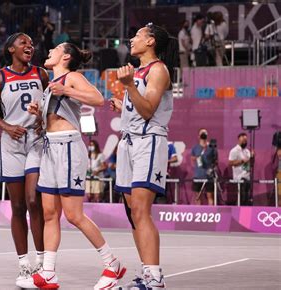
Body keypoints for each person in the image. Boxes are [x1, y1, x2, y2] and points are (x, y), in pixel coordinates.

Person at [26, 42, 125, 289]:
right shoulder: (51, 85)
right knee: (50, 214)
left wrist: (66, 91)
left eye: (56, 48)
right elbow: (54, 117)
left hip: (68, 148)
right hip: (49, 147)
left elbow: (98, 98)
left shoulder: (72, 77)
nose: (49, 51)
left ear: (66, 56)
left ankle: (112, 263)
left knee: (74, 215)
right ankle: (48, 272)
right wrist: (39, 113)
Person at [110, 23, 178, 289]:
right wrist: (123, 104)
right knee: (132, 213)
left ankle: (154, 277)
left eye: (137, 35)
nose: (131, 38)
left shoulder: (158, 69)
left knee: (140, 210)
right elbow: (139, 106)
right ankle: (147, 273)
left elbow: (148, 110)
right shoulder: (139, 71)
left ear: (151, 41)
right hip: (129, 142)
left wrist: (128, 86)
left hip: (148, 143)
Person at [0, 32, 48, 288]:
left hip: (35, 142)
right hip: (11, 145)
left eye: (31, 44)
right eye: (24, 42)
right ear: (11, 48)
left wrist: (41, 121)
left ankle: (44, 263)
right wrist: (7, 126)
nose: (29, 46)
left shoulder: (41, 74)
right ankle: (23, 265)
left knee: (34, 201)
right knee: (18, 206)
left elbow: (49, 105)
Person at [191, 128, 216, 205]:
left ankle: (212, 215)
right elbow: (192, 159)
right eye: (202, 133)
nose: (203, 134)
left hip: (208, 176)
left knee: (210, 196)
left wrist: (211, 169)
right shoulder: (195, 148)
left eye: (205, 133)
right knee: (197, 197)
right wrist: (197, 158)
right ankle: (199, 214)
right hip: (198, 176)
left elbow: (215, 161)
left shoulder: (211, 147)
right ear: (199, 136)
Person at [228, 133, 253, 205]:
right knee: (241, 198)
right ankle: (239, 213)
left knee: (246, 198)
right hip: (239, 178)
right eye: (243, 141)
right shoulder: (234, 150)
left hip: (247, 177)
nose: (245, 142)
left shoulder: (247, 151)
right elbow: (230, 163)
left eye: (246, 141)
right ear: (239, 140)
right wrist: (242, 161)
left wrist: (252, 157)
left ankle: (245, 214)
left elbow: (251, 164)